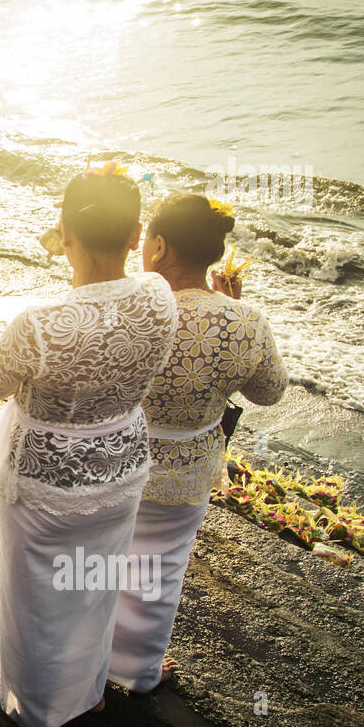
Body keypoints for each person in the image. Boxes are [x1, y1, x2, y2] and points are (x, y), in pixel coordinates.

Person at [0, 166, 177, 727]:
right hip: (121, 472)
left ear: (62, 233)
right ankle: (88, 694)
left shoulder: (40, 324)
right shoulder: (159, 297)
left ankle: (35, 711)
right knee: (93, 591)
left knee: (37, 603)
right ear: (137, 237)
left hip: (47, 486)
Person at [108, 194, 288, 692]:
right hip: (187, 468)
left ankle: (77, 660)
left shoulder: (127, 305)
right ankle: (136, 670)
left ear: (160, 246)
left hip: (115, 458)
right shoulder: (244, 320)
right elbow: (269, 392)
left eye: (148, 239)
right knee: (159, 570)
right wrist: (229, 305)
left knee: (89, 566)